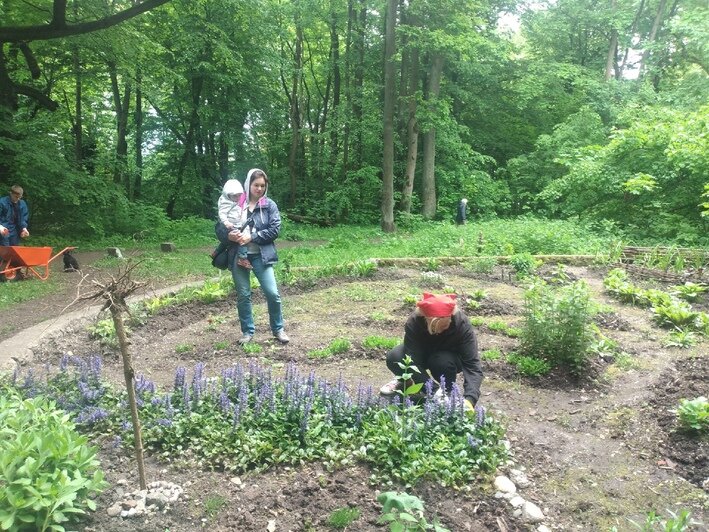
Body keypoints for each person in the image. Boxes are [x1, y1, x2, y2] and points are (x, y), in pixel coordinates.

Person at [379, 292, 483, 411]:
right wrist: (433, 390)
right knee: (395, 356)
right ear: (426, 320)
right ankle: (406, 382)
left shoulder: (461, 324)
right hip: (422, 352)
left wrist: (470, 399)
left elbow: (472, 365)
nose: (440, 332)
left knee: (442, 361)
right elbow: (412, 359)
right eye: (435, 329)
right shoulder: (414, 321)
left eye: (445, 327)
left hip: (448, 357)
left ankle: (448, 391)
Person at [228, 168, 289, 345]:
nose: (259, 189)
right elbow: (221, 224)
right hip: (238, 257)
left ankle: (278, 329)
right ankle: (247, 332)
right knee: (243, 295)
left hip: (262, 256)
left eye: (263, 185)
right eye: (256, 185)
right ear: (248, 184)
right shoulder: (236, 202)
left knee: (272, 294)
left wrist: (252, 237)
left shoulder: (269, 205)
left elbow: (274, 230)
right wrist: (228, 235)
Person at [212, 179, 252, 269]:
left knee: (226, 243)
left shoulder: (235, 201)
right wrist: (226, 222)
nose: (238, 198)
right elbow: (222, 214)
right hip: (230, 225)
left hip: (235, 224)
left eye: (239, 196)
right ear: (228, 194)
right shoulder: (225, 203)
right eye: (235, 196)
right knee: (242, 239)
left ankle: (216, 252)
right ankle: (242, 258)